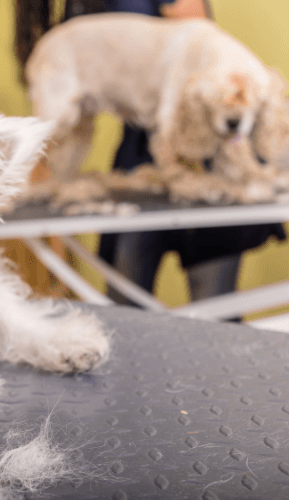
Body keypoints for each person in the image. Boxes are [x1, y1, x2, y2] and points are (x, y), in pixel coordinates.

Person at [16, 0, 285, 308]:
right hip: (139, 177)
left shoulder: (204, 51)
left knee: (213, 310)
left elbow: (201, 44)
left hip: (205, 172)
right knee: (128, 310)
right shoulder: (71, 24)